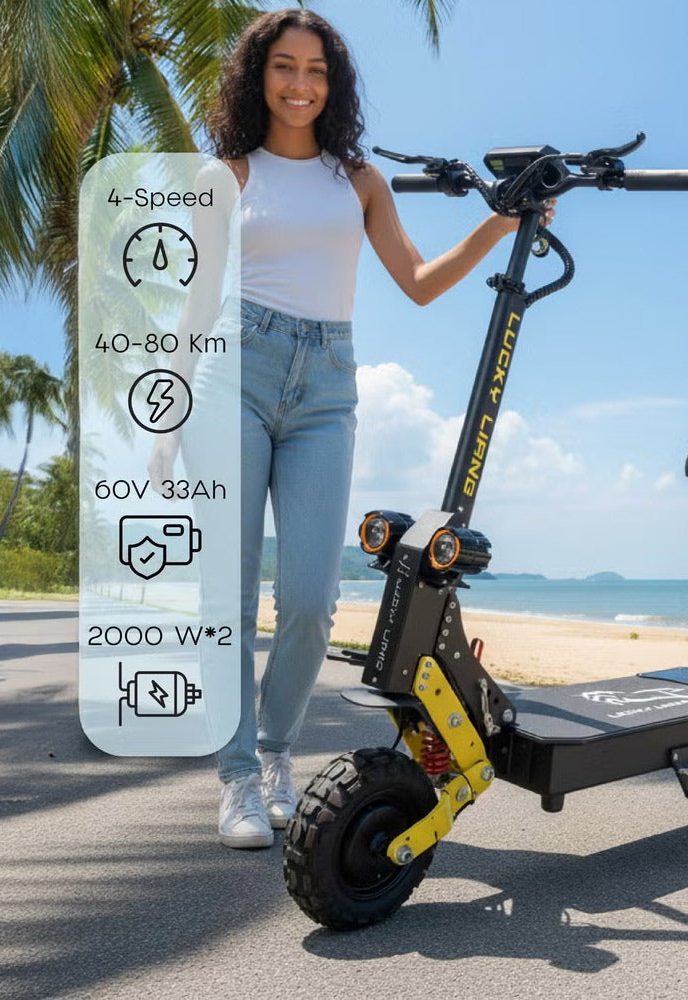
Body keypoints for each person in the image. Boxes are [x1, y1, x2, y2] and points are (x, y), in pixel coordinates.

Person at [150, 8, 552, 849]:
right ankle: (235, 781)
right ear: (257, 75)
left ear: (335, 85)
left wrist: (499, 225)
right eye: (285, 66)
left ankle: (274, 755)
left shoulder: (358, 179)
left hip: (328, 386)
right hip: (233, 375)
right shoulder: (227, 173)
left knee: (309, 597)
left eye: (318, 71)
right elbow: (194, 303)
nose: (301, 84)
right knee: (227, 597)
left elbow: (417, 280)